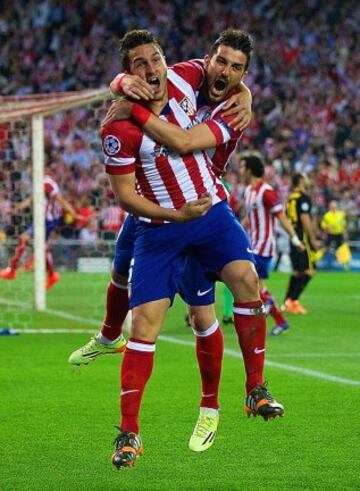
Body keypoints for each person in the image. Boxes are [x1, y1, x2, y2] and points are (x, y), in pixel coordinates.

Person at [98, 29, 285, 469]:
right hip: (158, 227)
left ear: (167, 61)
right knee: (143, 327)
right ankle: (129, 433)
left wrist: (133, 105)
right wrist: (120, 88)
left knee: (245, 280)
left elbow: (183, 142)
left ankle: (254, 388)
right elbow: (124, 198)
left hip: (207, 211)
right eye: (139, 64)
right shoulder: (117, 126)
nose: (151, 69)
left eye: (156, 59)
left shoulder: (226, 104)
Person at [240, 155, 305, 335]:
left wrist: (295, 240)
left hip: (264, 246)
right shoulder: (248, 191)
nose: (240, 170)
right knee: (254, 284)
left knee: (249, 282)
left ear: (250, 170)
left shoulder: (266, 191)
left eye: (242, 167)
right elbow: (250, 218)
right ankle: (278, 319)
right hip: (252, 244)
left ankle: (265, 310)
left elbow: (281, 217)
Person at [0, 171, 82, 288]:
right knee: (40, 247)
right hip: (42, 219)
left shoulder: (47, 183)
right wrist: (15, 209)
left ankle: (12, 270)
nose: (29, 174)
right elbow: (30, 200)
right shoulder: (39, 183)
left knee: (25, 239)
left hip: (48, 220)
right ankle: (51, 275)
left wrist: (74, 214)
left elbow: (60, 200)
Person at [282, 173, 321, 314]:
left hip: (293, 235)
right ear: (300, 181)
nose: (307, 180)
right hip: (302, 236)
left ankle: (287, 302)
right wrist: (313, 238)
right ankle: (293, 300)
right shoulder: (303, 198)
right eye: (305, 178)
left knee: (297, 271)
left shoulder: (291, 198)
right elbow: (305, 220)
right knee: (310, 270)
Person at [320, 200, 350, 270]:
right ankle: (315, 261)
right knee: (324, 248)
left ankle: (345, 265)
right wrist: (327, 228)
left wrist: (344, 230)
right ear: (329, 207)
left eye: (335, 206)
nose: (334, 207)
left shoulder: (341, 214)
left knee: (343, 249)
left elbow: (344, 223)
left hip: (339, 234)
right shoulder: (326, 215)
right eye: (332, 206)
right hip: (330, 235)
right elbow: (323, 225)